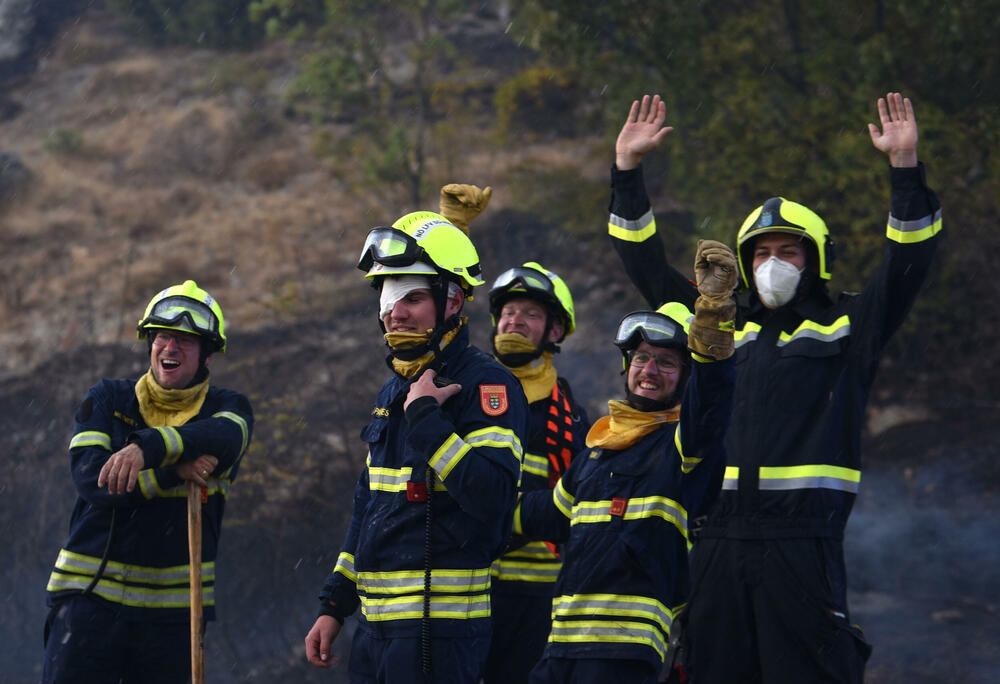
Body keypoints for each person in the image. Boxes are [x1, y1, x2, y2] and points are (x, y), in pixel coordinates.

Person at [608, 92, 943, 683]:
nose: (773, 263)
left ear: (816, 261)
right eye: (761, 253)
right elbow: (643, 262)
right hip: (712, 542)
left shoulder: (845, 327)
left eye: (788, 251)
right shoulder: (713, 323)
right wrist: (627, 172)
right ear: (742, 262)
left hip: (802, 545)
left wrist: (906, 168)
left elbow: (909, 261)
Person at [304, 209, 529, 683]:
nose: (394, 311)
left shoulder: (488, 386)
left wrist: (428, 420)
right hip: (374, 631)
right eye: (387, 296)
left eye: (413, 297)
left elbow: (492, 498)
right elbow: (369, 509)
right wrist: (334, 605)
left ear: (452, 302)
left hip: (440, 636)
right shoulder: (394, 391)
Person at [515, 239, 738, 684]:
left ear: (687, 378)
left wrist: (712, 318)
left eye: (667, 364)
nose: (650, 370)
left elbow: (711, 403)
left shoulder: (685, 448)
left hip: (625, 652)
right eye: (641, 358)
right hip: (561, 646)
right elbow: (544, 514)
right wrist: (465, 497)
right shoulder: (598, 451)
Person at [42, 280, 254, 683]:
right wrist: (173, 470)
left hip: (175, 619)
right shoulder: (108, 399)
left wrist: (146, 448)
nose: (169, 348)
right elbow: (92, 480)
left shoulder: (229, 409)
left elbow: (224, 439)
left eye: (185, 341)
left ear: (208, 353)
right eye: (161, 336)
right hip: (89, 602)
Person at [480, 259, 590, 683]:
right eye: (508, 312)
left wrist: (513, 520)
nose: (514, 321)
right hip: (464, 586)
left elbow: (577, 506)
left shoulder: (571, 419)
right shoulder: (465, 391)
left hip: (535, 600)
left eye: (531, 314)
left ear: (555, 331)